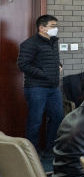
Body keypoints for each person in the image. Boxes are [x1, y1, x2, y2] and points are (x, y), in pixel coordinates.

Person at [17, 14, 63, 154]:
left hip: (53, 88)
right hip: (36, 88)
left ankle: (50, 149)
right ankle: (32, 153)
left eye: (56, 26)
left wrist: (59, 65)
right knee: (35, 121)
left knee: (58, 117)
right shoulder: (30, 43)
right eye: (52, 26)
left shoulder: (53, 41)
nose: (55, 29)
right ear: (42, 28)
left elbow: (52, 59)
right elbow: (23, 65)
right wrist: (45, 74)